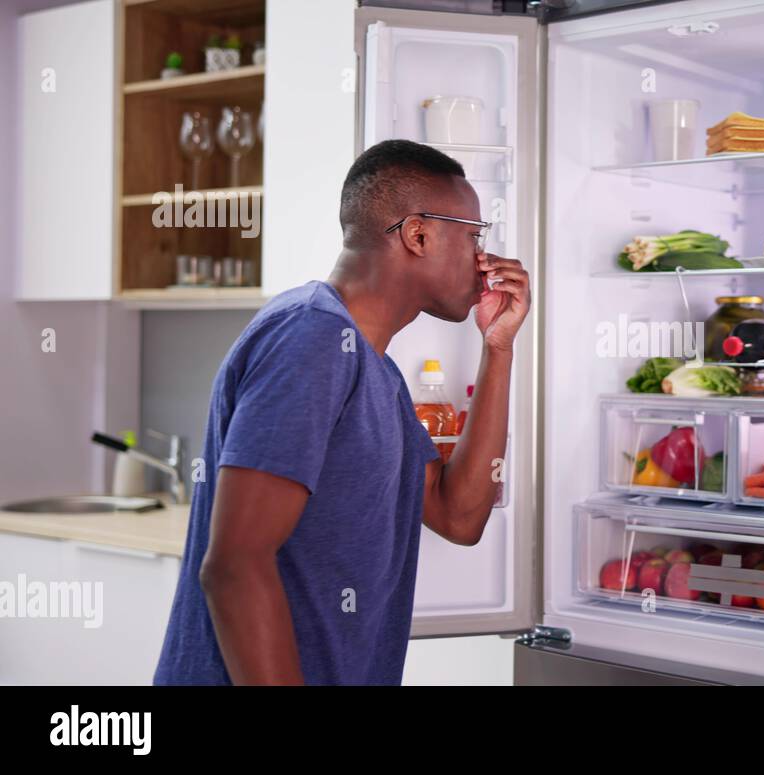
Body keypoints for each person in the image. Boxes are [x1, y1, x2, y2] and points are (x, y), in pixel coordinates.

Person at [153, 140, 530, 685]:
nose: (483, 258)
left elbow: (459, 517)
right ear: (417, 234)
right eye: (474, 235)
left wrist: (498, 348)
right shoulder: (311, 337)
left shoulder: (376, 369)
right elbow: (235, 566)